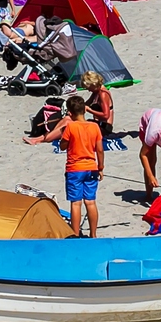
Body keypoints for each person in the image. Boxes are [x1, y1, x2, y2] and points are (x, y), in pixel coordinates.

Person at [24, 95, 103, 237]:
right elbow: (100, 150)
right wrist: (101, 168)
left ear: (70, 113)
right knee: (90, 202)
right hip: (91, 167)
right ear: (84, 110)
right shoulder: (95, 126)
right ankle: (93, 234)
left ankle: (75, 233)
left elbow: (63, 146)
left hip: (75, 168)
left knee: (76, 203)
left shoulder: (71, 126)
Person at [80, 70, 114, 135]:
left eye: (89, 88)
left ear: (93, 84)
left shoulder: (103, 94)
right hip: (97, 123)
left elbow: (106, 115)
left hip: (105, 126)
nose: (89, 90)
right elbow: (87, 104)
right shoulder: (96, 92)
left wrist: (89, 110)